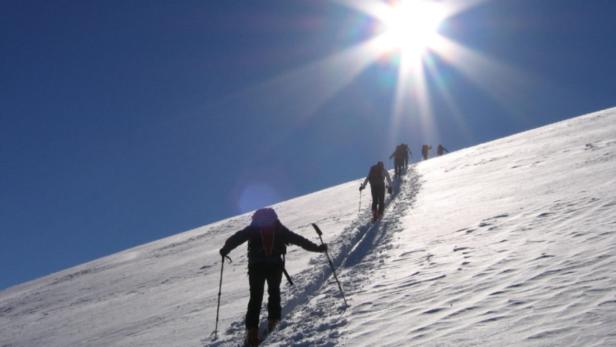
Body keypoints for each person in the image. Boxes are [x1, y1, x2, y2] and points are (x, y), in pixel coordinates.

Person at [219, 208, 327, 347]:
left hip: (256, 266)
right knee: (274, 293)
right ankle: (273, 323)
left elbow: (237, 238)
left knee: (255, 298)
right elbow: (298, 239)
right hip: (275, 265)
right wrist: (317, 248)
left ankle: (251, 333)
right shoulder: (278, 227)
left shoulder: (253, 228)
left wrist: (225, 249)